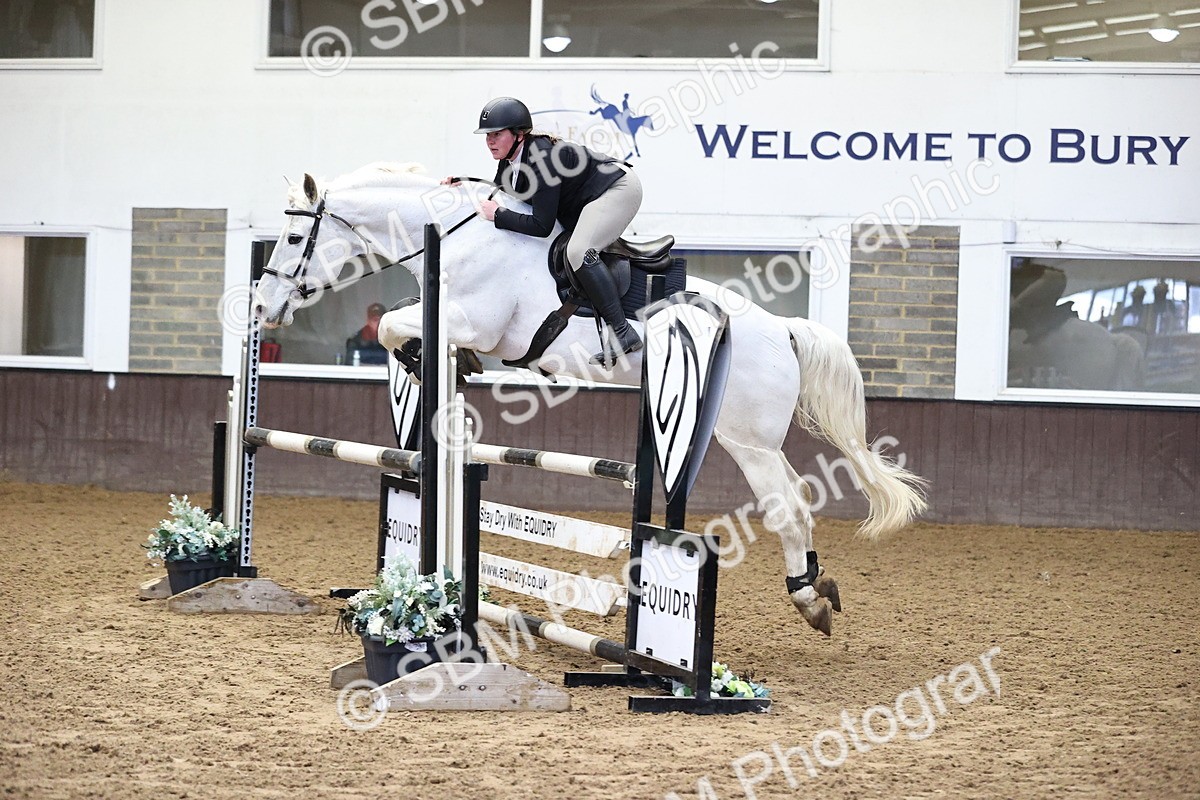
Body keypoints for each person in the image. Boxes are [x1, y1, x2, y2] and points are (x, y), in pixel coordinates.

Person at [443, 96, 644, 363]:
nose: (490, 141)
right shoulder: (510, 161)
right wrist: (464, 185)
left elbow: (541, 225)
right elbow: (497, 196)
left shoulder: (542, 158)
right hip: (588, 199)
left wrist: (499, 215)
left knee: (579, 252)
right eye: (487, 135)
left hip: (617, 188)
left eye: (496, 134)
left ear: (518, 134)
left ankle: (622, 331)